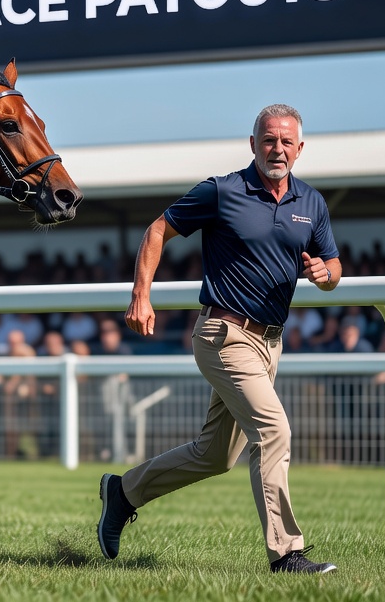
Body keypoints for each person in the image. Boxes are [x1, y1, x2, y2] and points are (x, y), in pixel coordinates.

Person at [96, 103, 340, 574]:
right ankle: (287, 553)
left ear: (301, 148)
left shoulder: (312, 203)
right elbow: (158, 229)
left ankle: (122, 492)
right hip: (223, 335)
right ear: (253, 144)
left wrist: (323, 274)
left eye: (287, 141)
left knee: (214, 455)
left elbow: (333, 266)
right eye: (269, 139)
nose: (278, 149)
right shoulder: (222, 191)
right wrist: (141, 296)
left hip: (271, 343)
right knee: (273, 431)